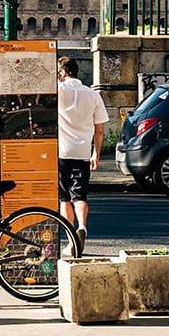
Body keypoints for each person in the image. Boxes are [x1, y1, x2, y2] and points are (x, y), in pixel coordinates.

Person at [56, 56, 108, 245]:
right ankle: (82, 227)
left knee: (64, 198)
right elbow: (100, 129)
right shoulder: (93, 94)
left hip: (61, 152)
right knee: (79, 195)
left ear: (62, 72)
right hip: (83, 153)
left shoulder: (58, 91)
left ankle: (70, 239)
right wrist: (96, 153)